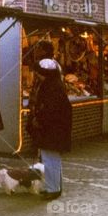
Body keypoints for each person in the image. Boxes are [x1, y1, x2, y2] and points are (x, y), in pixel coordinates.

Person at [28, 58, 72, 199]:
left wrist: (39, 119)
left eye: (38, 73)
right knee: (52, 159)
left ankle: (52, 188)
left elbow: (49, 109)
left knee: (50, 160)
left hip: (52, 129)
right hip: (56, 128)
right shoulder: (55, 85)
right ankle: (54, 187)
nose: (36, 75)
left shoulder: (50, 87)